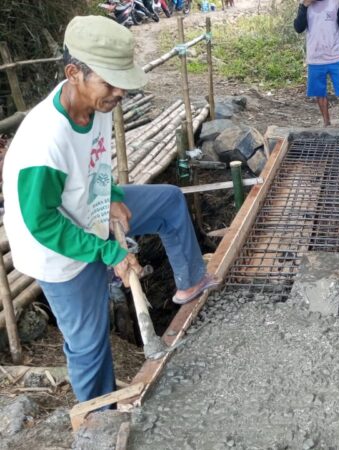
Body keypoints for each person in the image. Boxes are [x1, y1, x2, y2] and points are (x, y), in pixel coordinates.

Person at [2, 16, 219, 403]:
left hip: (92, 208)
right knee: (88, 344)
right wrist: (108, 252)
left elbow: (94, 165)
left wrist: (114, 194)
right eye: (109, 82)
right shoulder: (43, 144)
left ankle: (190, 282)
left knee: (169, 200)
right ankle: (98, 422)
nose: (119, 92)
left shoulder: (96, 104)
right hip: (57, 248)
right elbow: (42, 222)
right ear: (74, 74)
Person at [294, 0, 339, 127]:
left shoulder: (335, 3)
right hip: (315, 57)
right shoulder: (305, 5)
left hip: (335, 55)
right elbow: (298, 28)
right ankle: (326, 122)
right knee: (319, 91)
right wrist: (303, 6)